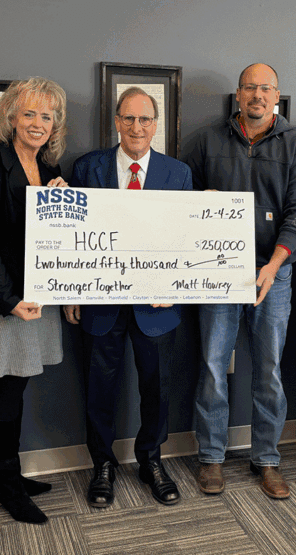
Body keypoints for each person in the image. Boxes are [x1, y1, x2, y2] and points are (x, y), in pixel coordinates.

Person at [185, 63, 296, 500]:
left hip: (272, 277)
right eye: (249, 88)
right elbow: (185, 208)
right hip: (216, 274)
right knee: (211, 367)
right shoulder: (207, 141)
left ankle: (267, 460)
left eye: (266, 88)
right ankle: (211, 457)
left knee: (268, 371)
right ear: (238, 95)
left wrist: (275, 263)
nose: (257, 95)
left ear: (276, 95)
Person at [64, 87, 191, 508]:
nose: (137, 127)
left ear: (156, 125)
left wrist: (172, 287)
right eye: (129, 118)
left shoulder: (178, 174)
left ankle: (151, 460)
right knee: (99, 388)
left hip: (156, 307)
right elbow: (72, 237)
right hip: (101, 304)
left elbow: (184, 241)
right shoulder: (87, 167)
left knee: (157, 389)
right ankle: (102, 464)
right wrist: (70, 291)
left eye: (146, 120)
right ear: (117, 121)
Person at [0, 77, 68, 525]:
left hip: (39, 298)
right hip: (8, 301)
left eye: (46, 116)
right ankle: (5, 482)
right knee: (6, 391)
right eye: (29, 113)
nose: (38, 123)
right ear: (10, 117)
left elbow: (53, 239)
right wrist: (9, 300)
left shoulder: (49, 172)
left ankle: (8, 472)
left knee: (19, 384)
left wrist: (66, 205)